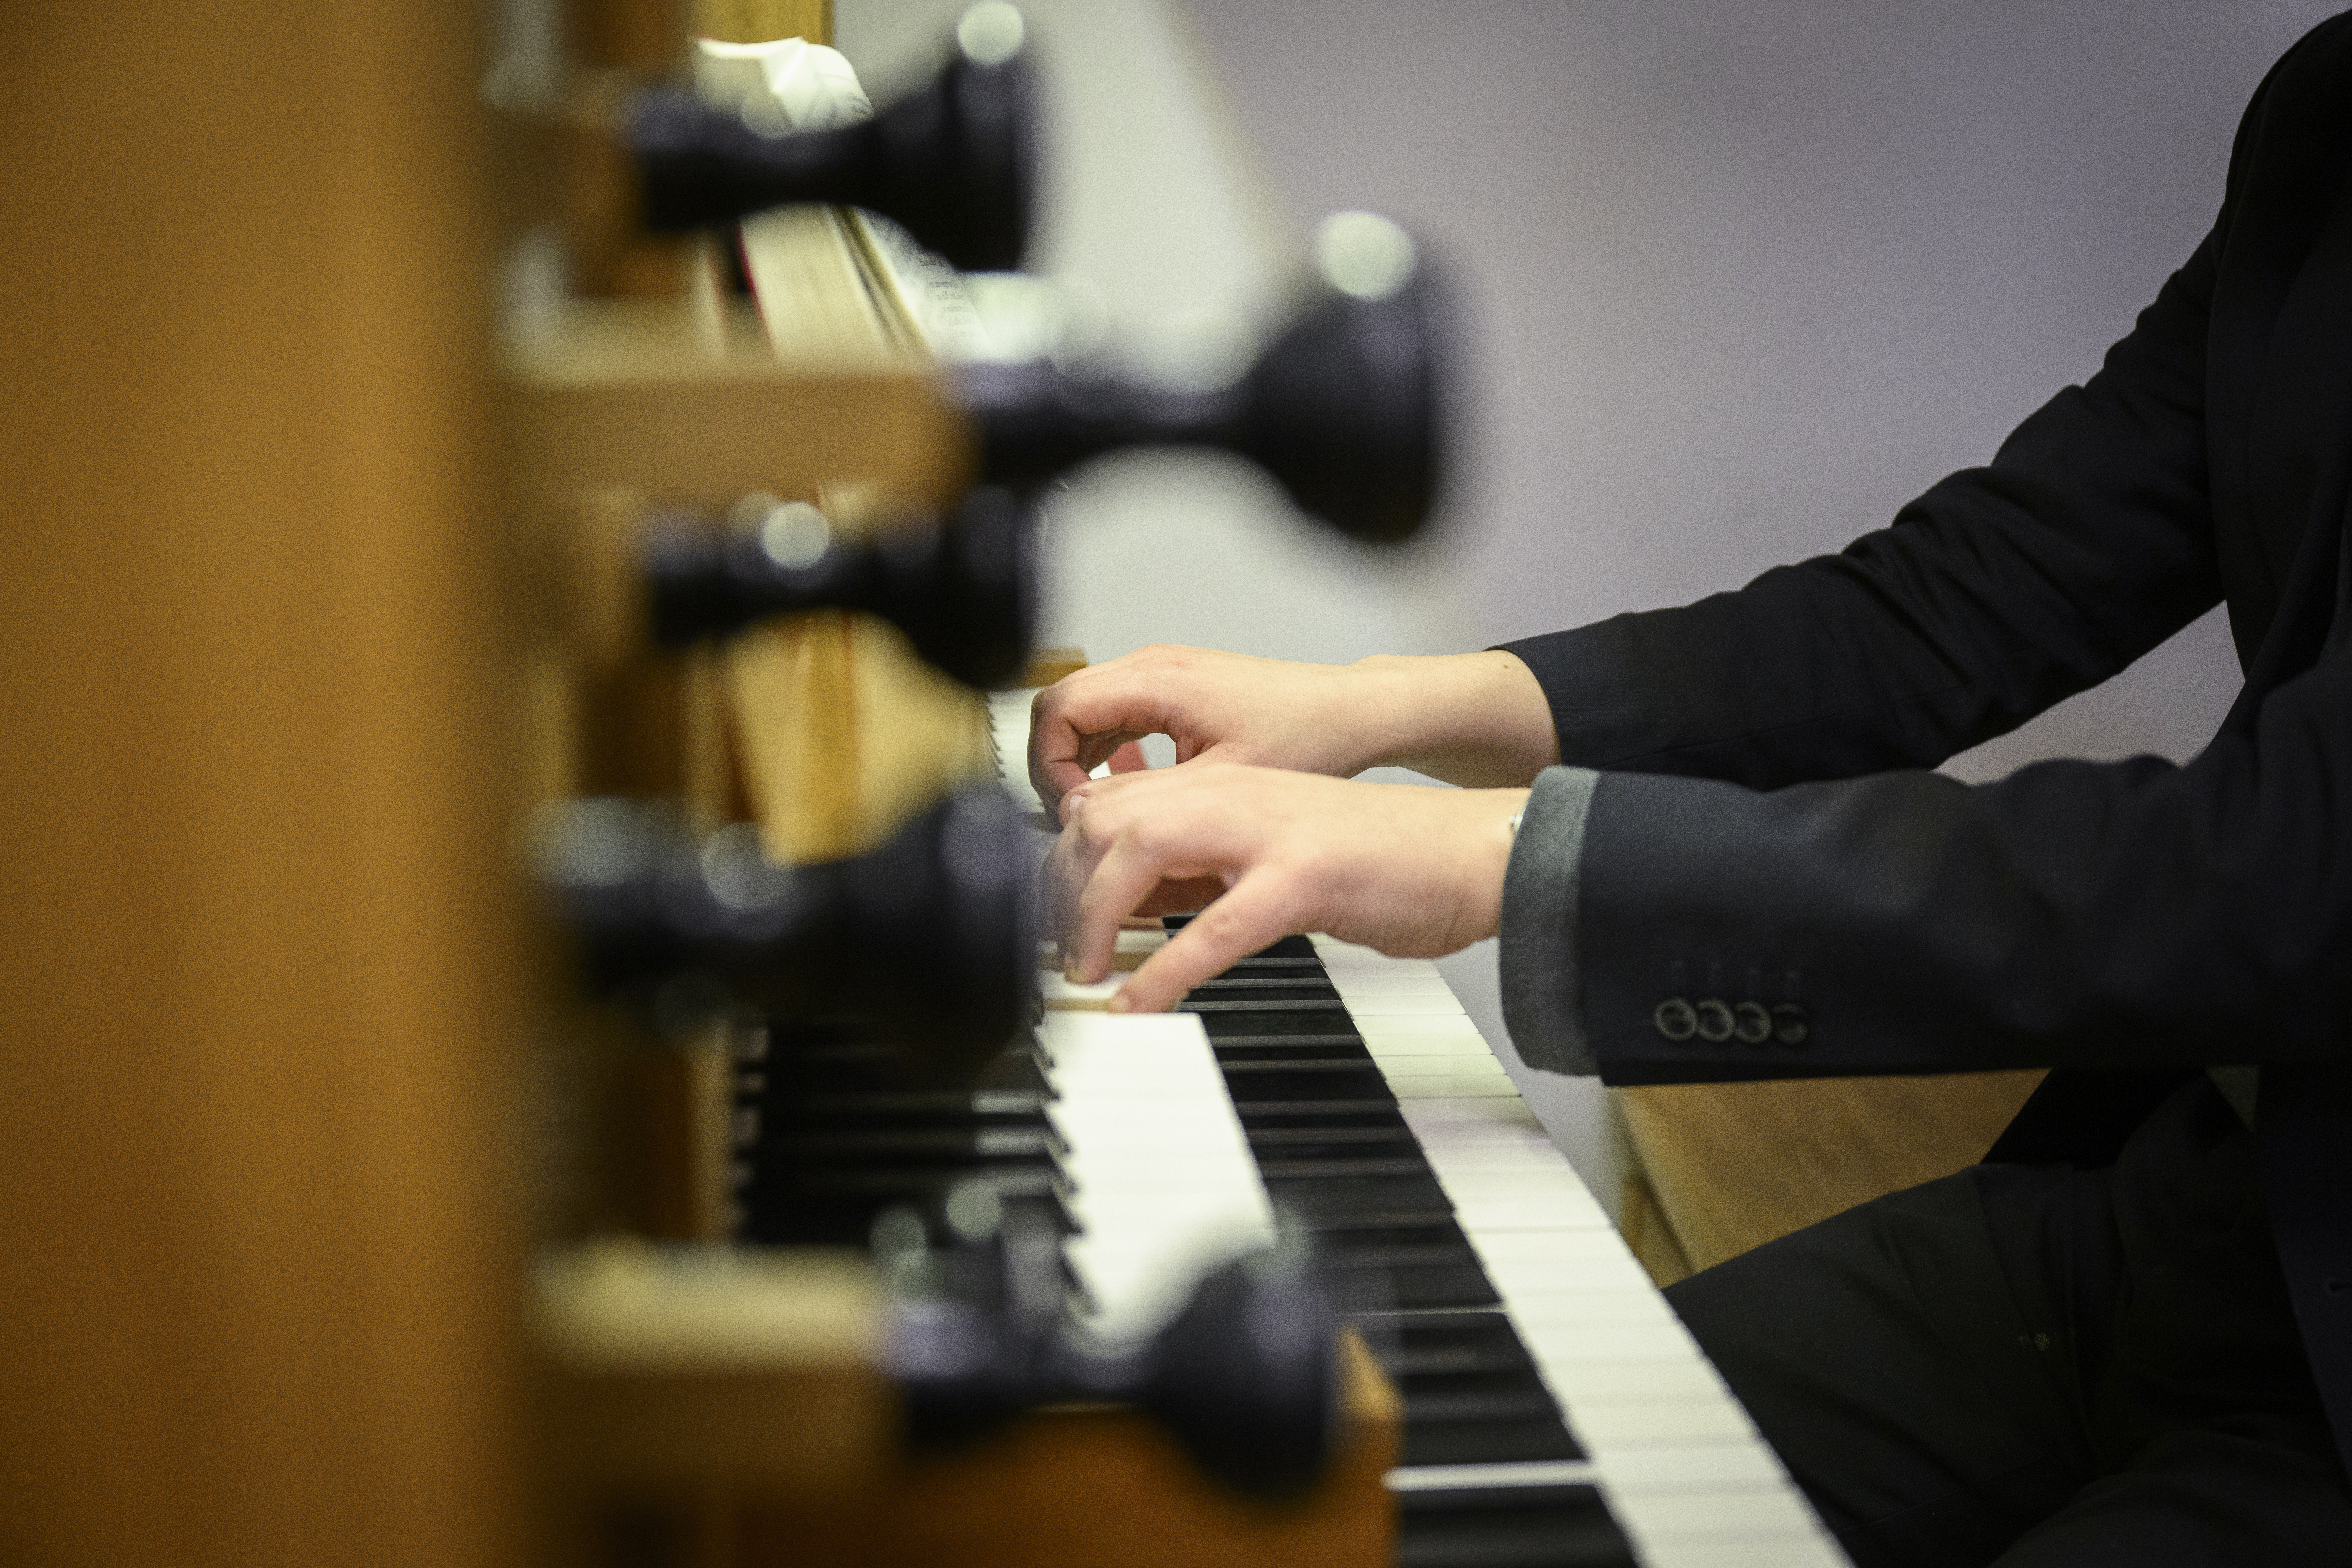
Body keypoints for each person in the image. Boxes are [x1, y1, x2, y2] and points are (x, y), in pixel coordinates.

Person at [1031, 13, 2352, 1566]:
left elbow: (2276, 869)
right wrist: (1376, 711)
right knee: (1438, 1507)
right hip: (2201, 1222)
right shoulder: (2334, 113)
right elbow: (1959, 599)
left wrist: (1486, 861)